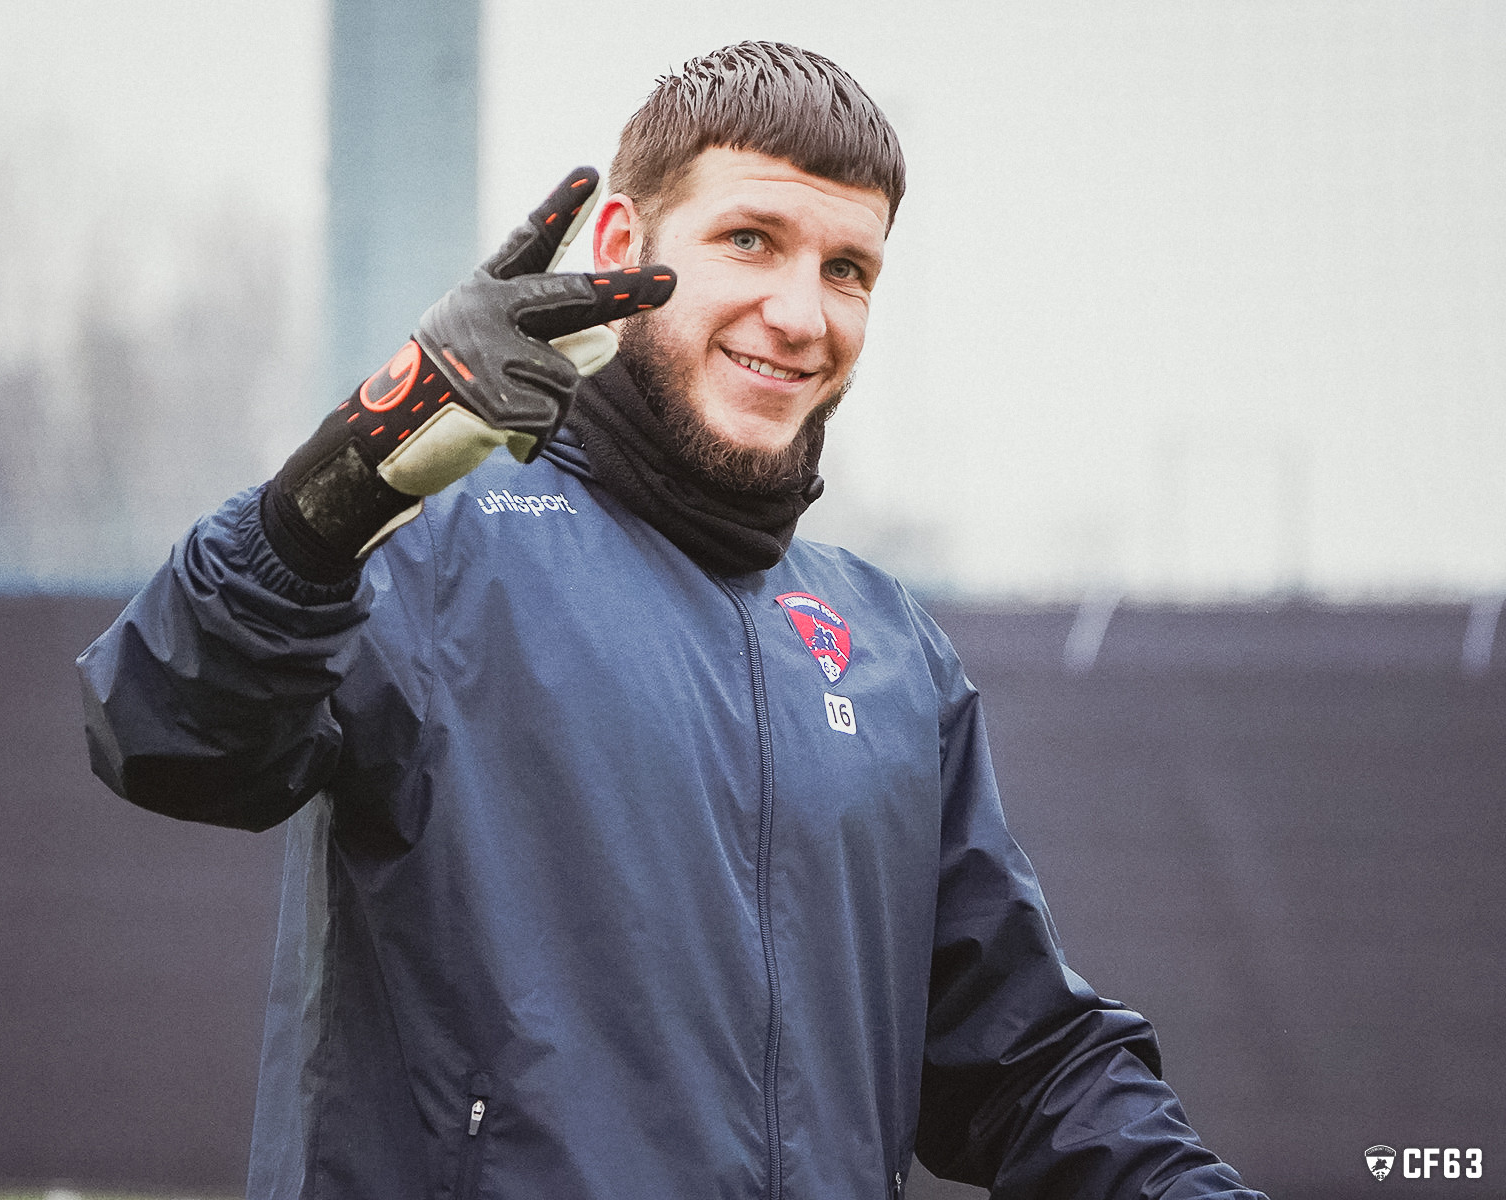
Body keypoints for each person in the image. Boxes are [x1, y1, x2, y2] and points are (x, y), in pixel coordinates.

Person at [79, 41, 1268, 1200]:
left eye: (847, 268)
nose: (799, 313)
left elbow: (1024, 1063)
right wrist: (347, 477)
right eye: (750, 240)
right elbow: (163, 731)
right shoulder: (430, 552)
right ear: (618, 246)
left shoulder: (889, 646)